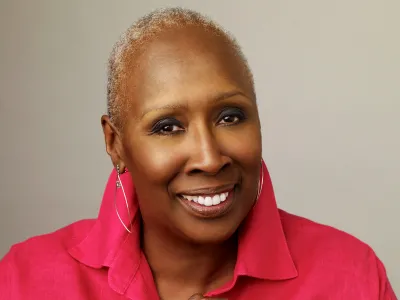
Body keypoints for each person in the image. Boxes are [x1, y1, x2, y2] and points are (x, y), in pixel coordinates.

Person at [0, 7, 397, 300]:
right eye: (167, 126)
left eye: (230, 116)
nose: (209, 158)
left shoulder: (350, 277)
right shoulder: (25, 280)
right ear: (115, 143)